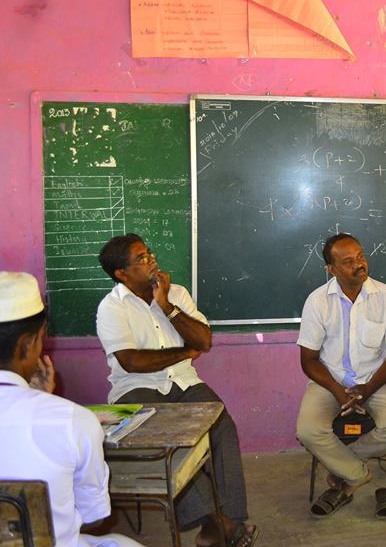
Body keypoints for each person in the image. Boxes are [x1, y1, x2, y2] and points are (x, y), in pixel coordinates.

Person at [95, 234, 258, 547]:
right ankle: (217, 524)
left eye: (149, 253)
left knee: (222, 426)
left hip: (184, 382)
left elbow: (204, 341)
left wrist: (166, 306)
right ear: (122, 273)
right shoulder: (112, 307)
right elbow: (132, 362)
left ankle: (228, 518)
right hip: (136, 389)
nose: (152, 260)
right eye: (142, 258)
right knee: (171, 444)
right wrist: (184, 351)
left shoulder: (177, 293)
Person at [0, 271, 144, 547]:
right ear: (27, 344)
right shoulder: (72, 421)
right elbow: (94, 517)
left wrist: (38, 397)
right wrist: (43, 401)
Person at [296, 233, 386, 517]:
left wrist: (368, 389)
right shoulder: (317, 301)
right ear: (331, 270)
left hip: (375, 379)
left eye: (360, 256)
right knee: (308, 430)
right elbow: (308, 360)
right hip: (329, 380)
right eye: (348, 262)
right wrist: (338, 391)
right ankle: (358, 474)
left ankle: (343, 471)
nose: (359, 264)